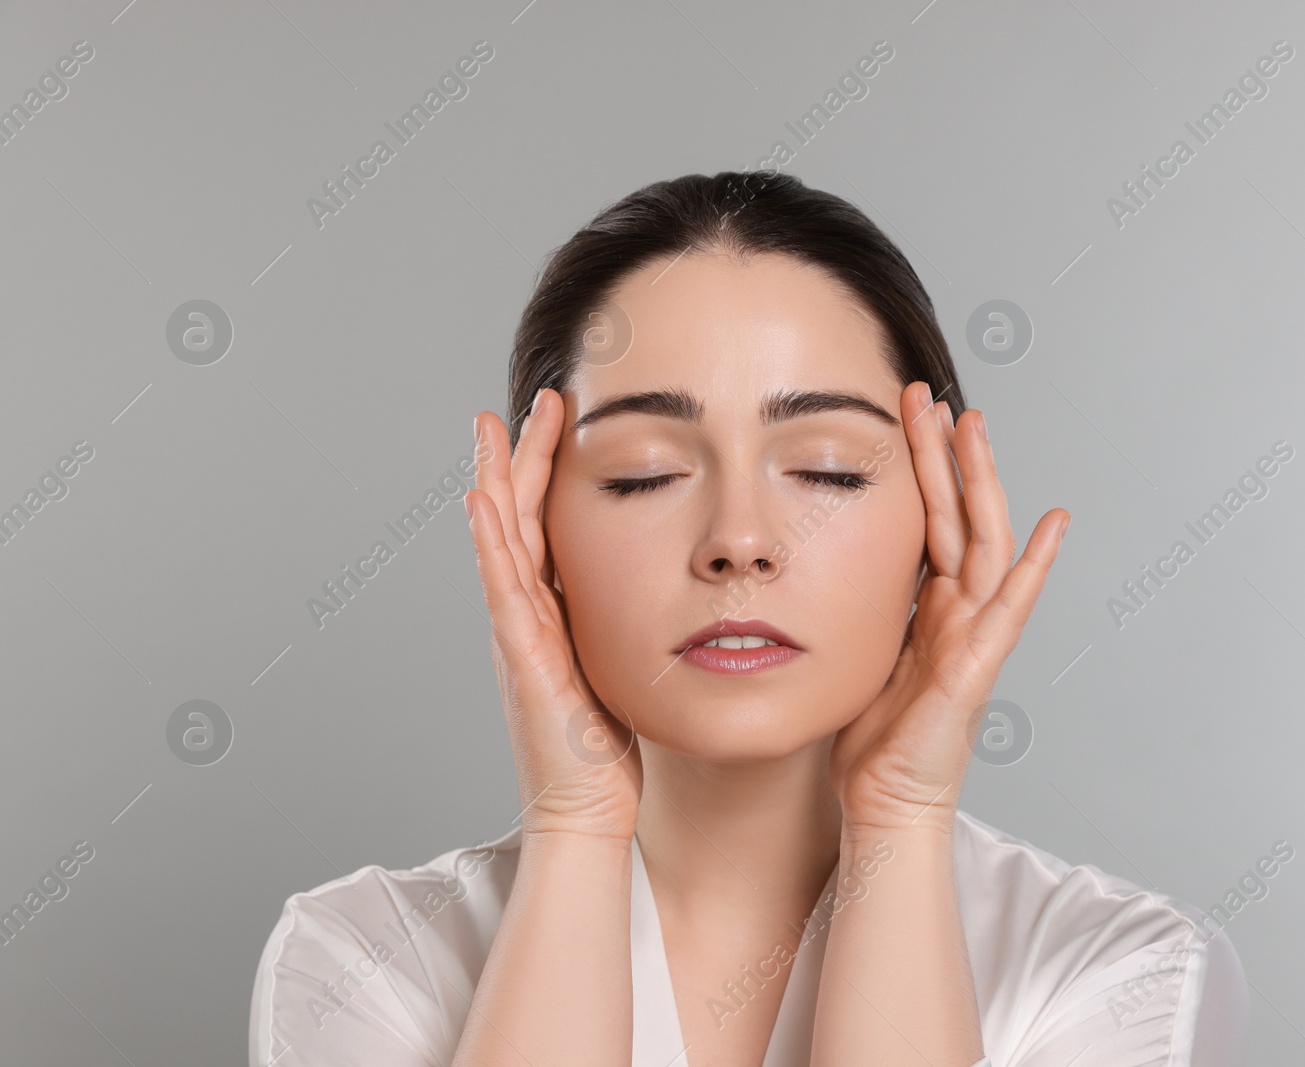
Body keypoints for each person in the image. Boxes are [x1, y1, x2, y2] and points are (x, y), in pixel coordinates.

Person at [249, 171, 1249, 1067]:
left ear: (938, 516)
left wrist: (899, 819)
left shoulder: (1120, 969)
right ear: (535, 531)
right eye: (644, 473)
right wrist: (574, 827)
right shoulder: (363, 958)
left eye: (826, 469)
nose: (740, 539)